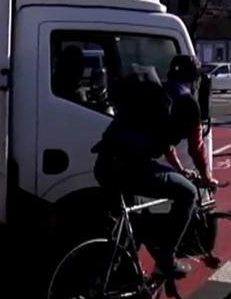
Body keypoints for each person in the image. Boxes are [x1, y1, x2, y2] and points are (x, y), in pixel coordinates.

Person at [92, 55, 217, 278]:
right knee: (187, 194)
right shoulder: (188, 104)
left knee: (139, 219)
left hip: (105, 163)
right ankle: (166, 261)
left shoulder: (156, 93)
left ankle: (123, 273)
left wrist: (178, 170)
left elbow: (164, 141)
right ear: (196, 79)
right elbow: (196, 148)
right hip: (129, 166)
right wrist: (206, 177)